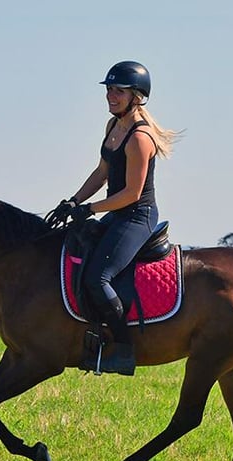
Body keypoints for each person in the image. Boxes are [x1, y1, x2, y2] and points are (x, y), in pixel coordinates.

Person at [48, 60, 179, 375]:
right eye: (108, 89)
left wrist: (90, 209)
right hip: (117, 213)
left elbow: (132, 193)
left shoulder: (139, 138)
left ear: (137, 96)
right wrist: (73, 201)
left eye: (118, 91)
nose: (111, 96)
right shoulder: (113, 127)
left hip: (137, 217)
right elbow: (103, 171)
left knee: (99, 277)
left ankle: (122, 349)